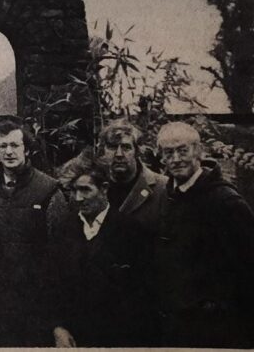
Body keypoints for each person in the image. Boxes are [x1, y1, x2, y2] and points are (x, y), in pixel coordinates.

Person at [154, 122, 254, 348]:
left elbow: (248, 271)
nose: (176, 158)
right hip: (178, 328)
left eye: (183, 150)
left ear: (198, 151)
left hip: (218, 331)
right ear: (161, 158)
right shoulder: (169, 197)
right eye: (169, 152)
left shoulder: (225, 202)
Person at [0, 117, 68, 346]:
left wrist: (57, 319)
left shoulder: (48, 190)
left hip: (36, 304)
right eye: (3, 146)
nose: (9, 152)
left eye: (15, 145)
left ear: (26, 148)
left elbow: (62, 256)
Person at [51, 149, 157, 347]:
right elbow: (54, 287)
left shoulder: (131, 232)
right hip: (73, 341)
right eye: (73, 191)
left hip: (119, 340)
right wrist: (59, 328)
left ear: (104, 188)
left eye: (85, 190)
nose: (78, 198)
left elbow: (144, 296)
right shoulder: (64, 229)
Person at [97, 118, 167, 234]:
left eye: (126, 147)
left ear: (137, 151)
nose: (119, 154)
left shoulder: (162, 187)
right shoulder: (92, 186)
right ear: (103, 151)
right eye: (113, 147)